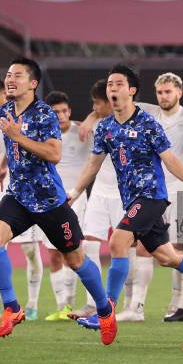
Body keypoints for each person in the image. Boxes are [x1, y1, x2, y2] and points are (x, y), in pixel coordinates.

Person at [68, 64, 183, 332]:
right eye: (110, 85)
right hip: (132, 200)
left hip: (152, 196)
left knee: (118, 241)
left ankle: (105, 312)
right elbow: (93, 165)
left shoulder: (148, 123)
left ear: (131, 91)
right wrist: (73, 193)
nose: (113, 89)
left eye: (118, 84)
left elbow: (170, 160)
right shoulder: (105, 127)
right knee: (167, 256)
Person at [0, 58, 115, 345]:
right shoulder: (6, 109)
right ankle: (12, 308)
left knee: (76, 260)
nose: (9, 79)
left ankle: (105, 312)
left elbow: (54, 154)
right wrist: (4, 166)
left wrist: (18, 136)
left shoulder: (44, 114)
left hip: (49, 200)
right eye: (8, 74)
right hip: (18, 195)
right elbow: (13, 144)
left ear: (32, 83)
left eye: (17, 75)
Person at [122, 72, 183, 323]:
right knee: (145, 247)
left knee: (182, 246)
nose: (164, 96)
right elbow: (114, 104)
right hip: (155, 190)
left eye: (168, 91)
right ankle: (137, 307)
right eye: (160, 92)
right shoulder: (148, 113)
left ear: (179, 92)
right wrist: (92, 118)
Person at [0, 76, 45, 321]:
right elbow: (2, 151)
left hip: (32, 190)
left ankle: (33, 304)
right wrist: (2, 168)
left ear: (4, 94)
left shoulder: (29, 114)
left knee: (29, 249)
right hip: (7, 189)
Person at [69, 79, 126, 320]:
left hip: (124, 194)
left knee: (125, 249)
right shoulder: (97, 124)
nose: (93, 107)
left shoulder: (129, 122)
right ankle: (94, 302)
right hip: (99, 192)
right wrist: (93, 115)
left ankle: (133, 305)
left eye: (96, 103)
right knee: (89, 244)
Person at [43, 91, 91, 321]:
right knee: (53, 255)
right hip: (48, 202)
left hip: (75, 201)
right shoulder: (43, 136)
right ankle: (62, 305)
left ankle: (71, 305)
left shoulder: (83, 132)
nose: (61, 116)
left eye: (64, 111)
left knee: (71, 251)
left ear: (70, 111)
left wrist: (91, 119)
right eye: (55, 112)